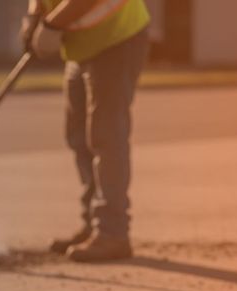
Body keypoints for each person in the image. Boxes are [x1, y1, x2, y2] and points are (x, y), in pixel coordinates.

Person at [21, 0, 150, 261]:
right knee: (78, 137)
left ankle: (112, 233)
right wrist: (34, 15)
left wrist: (52, 23)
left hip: (116, 36)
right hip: (81, 44)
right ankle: (93, 224)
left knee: (106, 135)